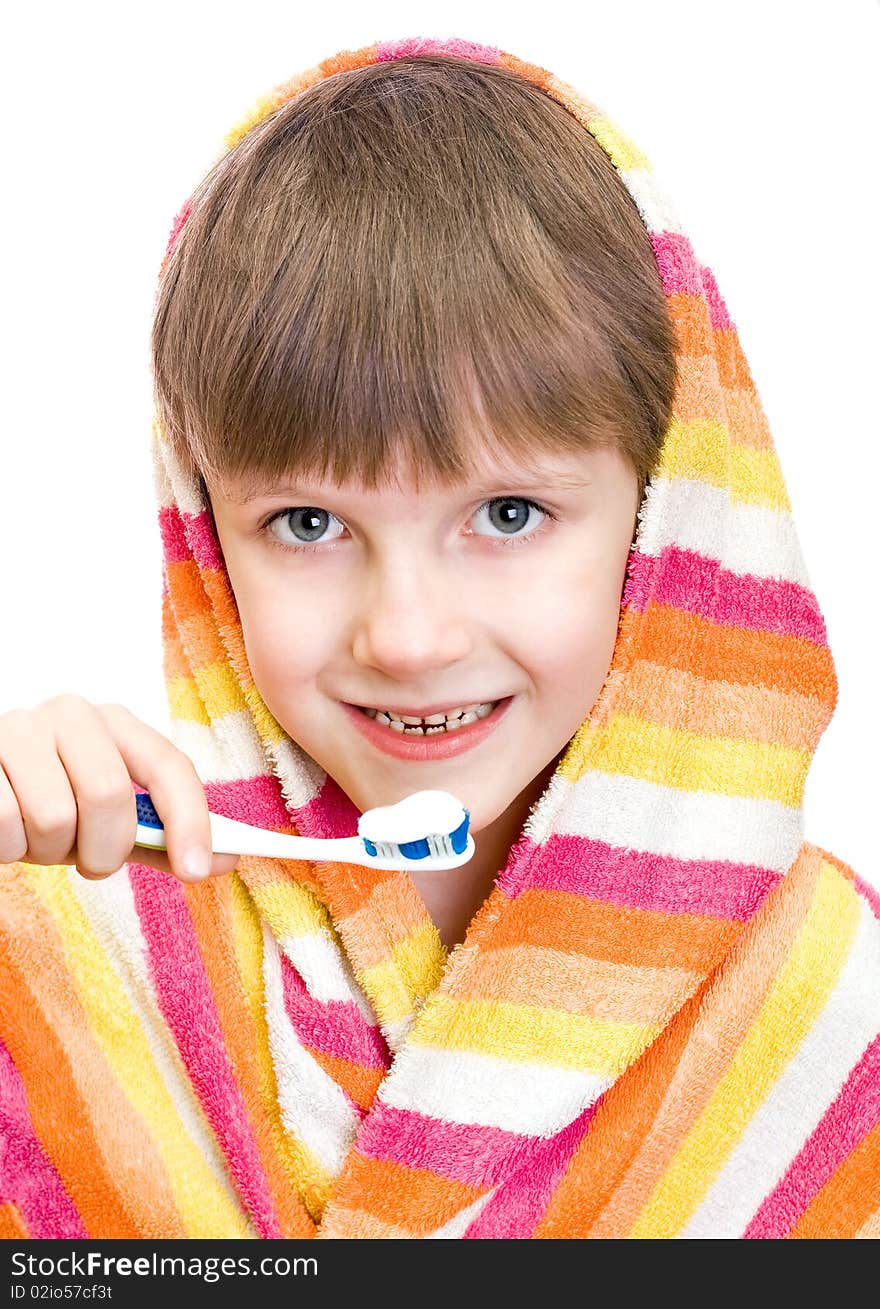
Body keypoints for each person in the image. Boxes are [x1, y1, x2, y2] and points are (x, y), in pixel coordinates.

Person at [1, 35, 878, 1241]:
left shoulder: (842, 1020)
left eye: (507, 514)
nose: (407, 637)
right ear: (208, 537)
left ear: (666, 509)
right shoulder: (60, 929)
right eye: (306, 522)